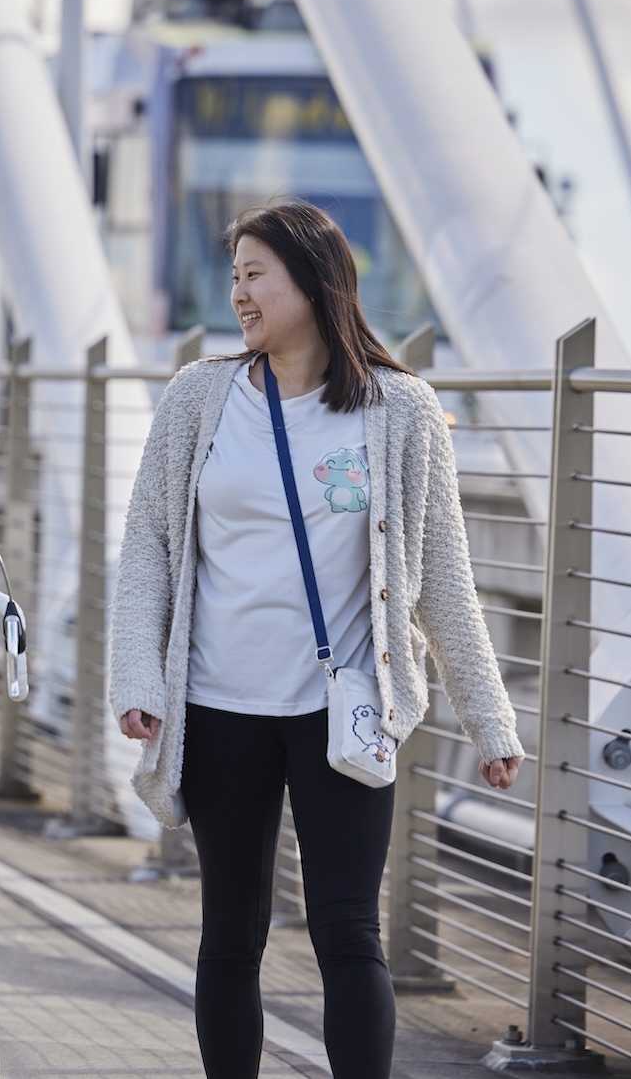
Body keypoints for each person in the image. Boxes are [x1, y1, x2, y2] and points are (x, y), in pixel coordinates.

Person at [107, 201, 523, 1079]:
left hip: (345, 708)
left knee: (347, 927)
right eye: (236, 276)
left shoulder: (400, 411)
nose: (239, 294)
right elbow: (147, 541)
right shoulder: (199, 396)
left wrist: (489, 720)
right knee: (232, 931)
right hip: (220, 700)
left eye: (256, 274)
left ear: (313, 281)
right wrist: (139, 677)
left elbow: (441, 576)